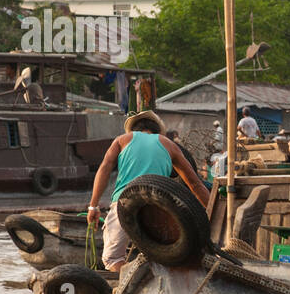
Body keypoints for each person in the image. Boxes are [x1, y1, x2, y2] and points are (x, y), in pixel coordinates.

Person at [87, 111, 211, 272]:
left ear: (133, 130)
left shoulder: (122, 140)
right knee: (162, 257)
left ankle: (130, 284)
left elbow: (103, 170)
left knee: (112, 259)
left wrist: (93, 207)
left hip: (125, 202)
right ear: (157, 131)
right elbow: (195, 184)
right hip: (160, 206)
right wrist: (211, 215)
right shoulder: (169, 144)